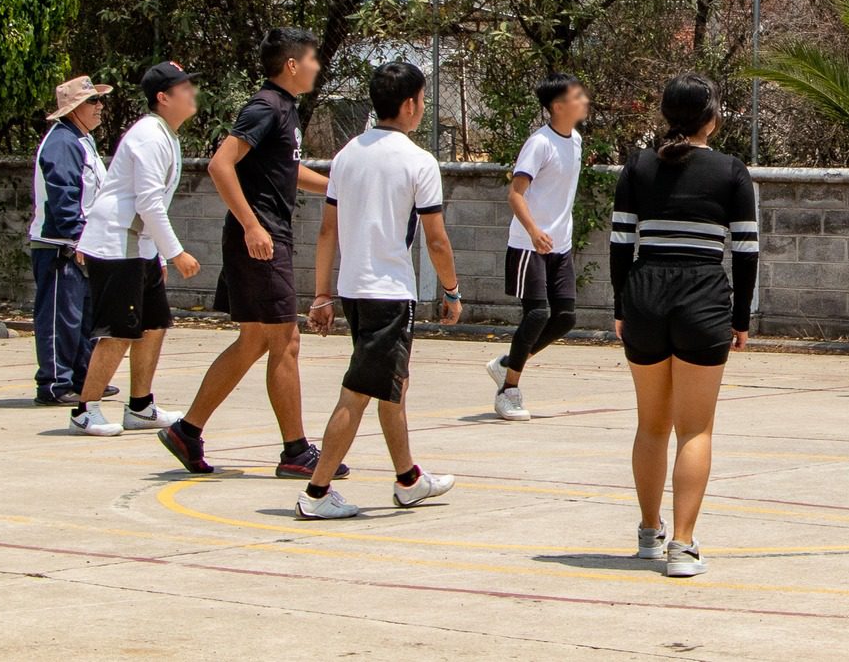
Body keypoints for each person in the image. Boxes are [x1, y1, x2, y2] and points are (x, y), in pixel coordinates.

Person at [159, 28, 339, 480]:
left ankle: (187, 430)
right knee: (285, 341)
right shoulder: (265, 106)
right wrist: (252, 225)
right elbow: (221, 164)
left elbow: (286, 168)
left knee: (256, 340)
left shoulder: (285, 110)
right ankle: (296, 452)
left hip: (267, 236)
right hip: (260, 239)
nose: (317, 66)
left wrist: (339, 186)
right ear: (292, 65)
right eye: (312, 59)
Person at [295, 61, 462, 520]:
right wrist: (451, 291)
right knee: (358, 391)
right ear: (409, 105)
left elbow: (327, 231)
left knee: (394, 384)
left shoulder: (348, 154)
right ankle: (316, 493)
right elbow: (436, 239)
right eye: (424, 100)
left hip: (353, 290)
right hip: (389, 294)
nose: (422, 108)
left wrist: (322, 294)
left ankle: (408, 479)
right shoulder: (418, 161)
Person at [612, 73, 758, 579]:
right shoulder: (731, 171)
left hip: (644, 294)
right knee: (694, 427)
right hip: (703, 296)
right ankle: (683, 545)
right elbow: (744, 251)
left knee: (650, 424)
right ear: (711, 117)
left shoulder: (638, 166)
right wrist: (741, 318)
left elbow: (619, 242)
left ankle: (648, 534)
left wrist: (620, 306)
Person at [69, 61, 202, 436]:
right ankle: (85, 410)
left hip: (139, 246)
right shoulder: (149, 134)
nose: (192, 93)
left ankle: (140, 407)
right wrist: (175, 252)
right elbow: (148, 202)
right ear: (163, 97)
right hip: (116, 245)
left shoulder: (165, 134)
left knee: (154, 325)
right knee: (120, 331)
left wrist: (157, 254)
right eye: (184, 87)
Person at [487, 73, 590, 421]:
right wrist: (533, 230)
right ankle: (508, 391)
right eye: (577, 96)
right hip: (529, 244)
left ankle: (507, 364)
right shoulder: (539, 143)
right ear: (558, 106)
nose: (583, 100)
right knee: (536, 314)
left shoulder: (575, 140)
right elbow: (516, 193)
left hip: (559, 246)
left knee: (565, 318)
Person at [29, 75, 113, 406]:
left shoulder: (81, 140)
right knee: (59, 317)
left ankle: (84, 378)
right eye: (94, 102)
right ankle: (54, 383)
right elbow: (63, 195)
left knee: (83, 318)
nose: (100, 107)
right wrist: (76, 237)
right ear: (76, 108)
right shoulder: (62, 143)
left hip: (82, 244)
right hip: (60, 246)